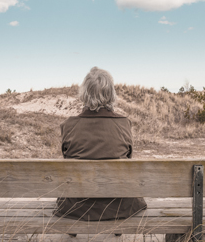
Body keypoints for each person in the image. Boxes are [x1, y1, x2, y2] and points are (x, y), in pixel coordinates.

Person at [53, 67, 147, 222]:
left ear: (84, 94)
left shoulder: (69, 125)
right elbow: (128, 158)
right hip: (119, 206)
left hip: (77, 208)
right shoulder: (124, 124)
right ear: (111, 94)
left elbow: (67, 157)